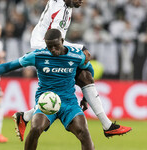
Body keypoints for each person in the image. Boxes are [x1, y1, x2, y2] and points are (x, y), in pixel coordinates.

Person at [13, 0, 132, 141]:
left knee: (83, 78)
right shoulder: (61, 10)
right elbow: (55, 37)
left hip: (43, 44)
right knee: (85, 76)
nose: (81, 1)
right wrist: (81, 48)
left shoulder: (63, 5)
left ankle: (25, 116)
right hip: (46, 48)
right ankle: (107, 126)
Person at [0, 28, 95, 150]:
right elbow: (9, 66)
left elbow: (89, 72)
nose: (53, 50)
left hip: (69, 102)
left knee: (84, 131)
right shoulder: (38, 56)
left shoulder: (77, 55)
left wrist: (86, 97)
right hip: (45, 100)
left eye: (56, 46)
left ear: (62, 41)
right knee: (36, 128)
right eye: (50, 47)